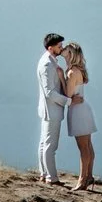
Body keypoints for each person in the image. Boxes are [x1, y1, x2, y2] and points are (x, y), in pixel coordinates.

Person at [60, 41, 99, 190]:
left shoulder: (72, 72)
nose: (63, 50)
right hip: (83, 109)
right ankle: (88, 176)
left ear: (71, 54)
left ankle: (82, 180)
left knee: (83, 147)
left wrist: (61, 78)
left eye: (66, 49)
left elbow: (68, 94)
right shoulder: (77, 70)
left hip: (78, 112)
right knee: (88, 145)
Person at [36, 33, 69, 183]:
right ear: (51, 48)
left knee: (44, 143)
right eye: (59, 46)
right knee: (50, 145)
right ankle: (51, 177)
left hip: (48, 110)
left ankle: (44, 173)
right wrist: (68, 101)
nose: (61, 48)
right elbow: (49, 92)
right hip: (52, 110)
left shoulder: (48, 61)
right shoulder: (47, 64)